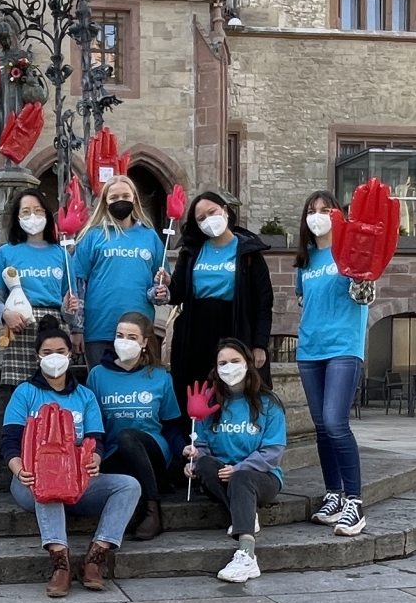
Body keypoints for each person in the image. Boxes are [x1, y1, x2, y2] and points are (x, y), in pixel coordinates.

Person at [1, 315, 141, 598]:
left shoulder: (85, 396)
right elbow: (9, 441)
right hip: (31, 479)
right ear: (37, 357)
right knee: (48, 486)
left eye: (61, 352)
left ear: (71, 354)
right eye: (47, 353)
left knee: (129, 485)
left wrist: (96, 460)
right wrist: (18, 469)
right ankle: (60, 564)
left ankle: (95, 558)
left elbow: (96, 440)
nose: (55, 358)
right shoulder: (25, 393)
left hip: (77, 478)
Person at [294, 189, 369, 537]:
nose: (318, 215)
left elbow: (364, 295)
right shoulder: (306, 259)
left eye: (326, 209)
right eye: (312, 210)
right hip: (310, 349)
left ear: (339, 215)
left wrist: (362, 276)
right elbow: (304, 301)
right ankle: (334, 495)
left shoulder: (351, 252)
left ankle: (355, 502)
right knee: (321, 428)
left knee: (335, 422)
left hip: (343, 346)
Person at [184, 339, 286, 583]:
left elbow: (273, 452)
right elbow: (203, 445)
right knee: (205, 465)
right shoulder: (212, 404)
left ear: (248, 364)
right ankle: (245, 512)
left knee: (242, 478)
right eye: (223, 363)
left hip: (262, 476)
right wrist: (194, 457)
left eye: (235, 361)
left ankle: (247, 554)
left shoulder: (268, 403)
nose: (229, 367)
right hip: (222, 473)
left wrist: (240, 468)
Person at [87, 311, 184, 541]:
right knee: (121, 441)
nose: (124, 341)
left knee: (127, 436)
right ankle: (148, 488)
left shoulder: (160, 377)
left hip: (154, 449)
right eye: (120, 335)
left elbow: (171, 425)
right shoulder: (97, 376)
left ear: (144, 342)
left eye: (132, 337)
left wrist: (183, 450)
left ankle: (153, 510)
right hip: (112, 453)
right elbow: (92, 424)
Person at [167, 190, 273, 399]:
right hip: (195, 332)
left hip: (234, 327)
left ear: (225, 211)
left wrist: (260, 344)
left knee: (233, 389)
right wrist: (167, 285)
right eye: (201, 218)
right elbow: (176, 293)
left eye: (212, 212)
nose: (208, 220)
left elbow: (263, 302)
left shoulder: (248, 252)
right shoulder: (191, 251)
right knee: (196, 391)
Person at [0, 188, 79, 387]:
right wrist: (5, 315)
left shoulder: (62, 255)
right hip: (20, 328)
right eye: (26, 212)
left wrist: (71, 313)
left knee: (55, 389)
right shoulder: (5, 253)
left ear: (46, 214)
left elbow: (71, 305)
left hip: (55, 329)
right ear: (17, 217)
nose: (32, 216)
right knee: (21, 393)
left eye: (38, 210)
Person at [71, 175, 168, 369]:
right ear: (105, 202)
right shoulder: (92, 236)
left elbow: (159, 285)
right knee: (101, 388)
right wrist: (76, 328)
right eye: (114, 197)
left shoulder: (150, 237)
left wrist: (161, 292)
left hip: (139, 330)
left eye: (125, 195)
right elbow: (78, 285)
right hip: (99, 328)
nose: (120, 201)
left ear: (134, 199)